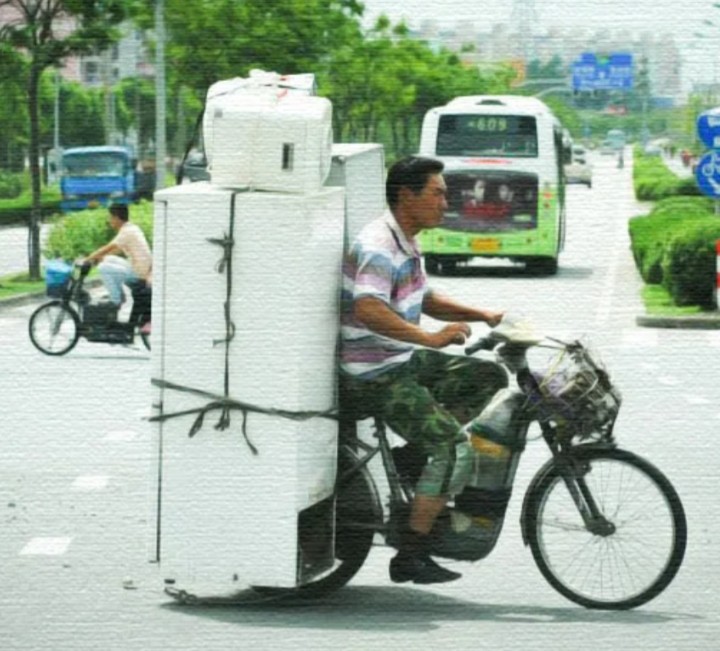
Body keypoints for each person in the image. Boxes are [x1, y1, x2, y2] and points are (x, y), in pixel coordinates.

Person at [340, 156, 508, 585]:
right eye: (437, 193)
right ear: (406, 196)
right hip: (373, 373)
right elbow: (368, 307)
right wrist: (429, 338)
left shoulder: (406, 240)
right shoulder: (380, 244)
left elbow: (423, 297)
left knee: (489, 376)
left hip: (400, 359)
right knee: (454, 448)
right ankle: (410, 555)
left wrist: (482, 313)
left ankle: (413, 459)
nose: (445, 202)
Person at [84, 203, 152, 327]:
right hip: (141, 267)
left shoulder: (126, 232)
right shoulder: (131, 228)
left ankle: (116, 299)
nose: (109, 221)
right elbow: (117, 249)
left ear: (116, 217)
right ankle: (118, 296)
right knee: (108, 259)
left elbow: (109, 247)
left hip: (139, 272)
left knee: (103, 268)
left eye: (110, 217)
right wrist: (100, 257)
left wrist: (88, 258)